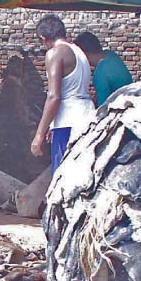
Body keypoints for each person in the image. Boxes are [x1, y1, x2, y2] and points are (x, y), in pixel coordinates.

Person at [30, 15, 95, 172]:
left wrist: (39, 135)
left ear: (44, 39)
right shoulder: (79, 52)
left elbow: (54, 97)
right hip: (87, 116)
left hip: (68, 122)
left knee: (63, 177)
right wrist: (53, 125)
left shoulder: (55, 53)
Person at [74, 32, 133, 106]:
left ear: (84, 53)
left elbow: (102, 107)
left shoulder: (99, 74)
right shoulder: (111, 54)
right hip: (130, 99)